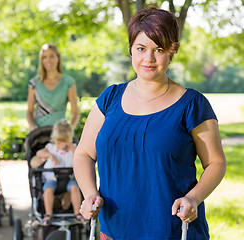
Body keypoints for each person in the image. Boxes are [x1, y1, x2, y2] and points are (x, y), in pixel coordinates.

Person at [73, 7, 226, 240]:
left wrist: (193, 198)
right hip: (114, 231)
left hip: (171, 231)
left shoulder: (192, 105)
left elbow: (216, 162)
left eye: (159, 50)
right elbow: (83, 153)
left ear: (172, 50)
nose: (149, 59)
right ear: (131, 50)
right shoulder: (110, 99)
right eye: (141, 48)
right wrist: (90, 194)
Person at [30, 119, 84, 225]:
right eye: (59, 142)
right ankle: (48, 214)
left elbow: (80, 155)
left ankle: (77, 213)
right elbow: (39, 153)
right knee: (48, 189)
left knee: (74, 188)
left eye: (64, 142)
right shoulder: (51, 148)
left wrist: (71, 146)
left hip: (69, 179)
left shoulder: (72, 149)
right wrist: (50, 155)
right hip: (52, 179)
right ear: (55, 140)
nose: (61, 145)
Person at [26, 43, 79, 131]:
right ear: (41, 60)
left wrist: (70, 128)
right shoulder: (34, 83)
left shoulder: (68, 82)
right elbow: (29, 111)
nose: (48, 60)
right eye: (44, 57)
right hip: (39, 133)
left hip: (60, 133)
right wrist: (32, 126)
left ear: (58, 58)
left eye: (51, 56)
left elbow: (75, 112)